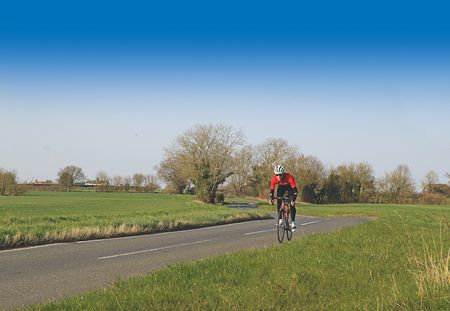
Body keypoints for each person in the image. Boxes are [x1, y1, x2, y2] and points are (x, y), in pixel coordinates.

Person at [269, 164, 298, 231]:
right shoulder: (274, 179)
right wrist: (271, 198)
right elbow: (271, 191)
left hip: (290, 187)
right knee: (279, 200)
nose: (279, 176)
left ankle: (293, 223)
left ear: (283, 173)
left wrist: (293, 199)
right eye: (277, 175)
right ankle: (280, 220)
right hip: (281, 187)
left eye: (281, 174)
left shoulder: (289, 177)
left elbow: (295, 191)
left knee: (292, 204)